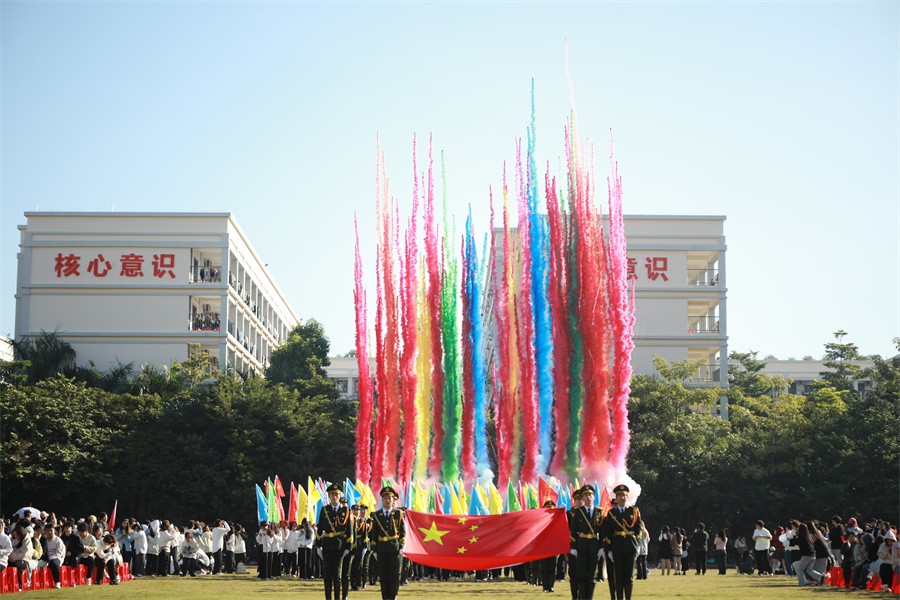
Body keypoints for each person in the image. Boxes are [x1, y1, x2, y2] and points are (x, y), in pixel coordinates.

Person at [600, 483, 643, 600]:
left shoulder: (634, 511)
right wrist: (609, 550)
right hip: (617, 547)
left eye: (624, 495)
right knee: (618, 577)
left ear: (627, 497)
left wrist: (637, 545)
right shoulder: (611, 513)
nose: (622, 498)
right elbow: (608, 532)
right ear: (616, 498)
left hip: (630, 546)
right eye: (619, 495)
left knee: (629, 577)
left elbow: (638, 529)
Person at [316, 483, 352, 600]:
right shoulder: (324, 510)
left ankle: (337, 597)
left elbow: (349, 530)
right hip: (327, 545)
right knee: (327, 574)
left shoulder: (346, 511)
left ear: (340, 496)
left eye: (337, 494)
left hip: (340, 546)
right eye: (332, 494)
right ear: (329, 496)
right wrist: (318, 546)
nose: (334, 497)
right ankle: (328, 597)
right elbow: (320, 528)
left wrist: (348, 547)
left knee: (337, 574)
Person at [371, 485, 405, 600]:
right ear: (382, 499)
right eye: (385, 498)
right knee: (383, 575)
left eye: (389, 498)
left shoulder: (398, 513)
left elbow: (402, 531)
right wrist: (374, 550)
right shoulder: (376, 515)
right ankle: (385, 597)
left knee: (394, 574)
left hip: (394, 548)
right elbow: (374, 534)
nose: (387, 500)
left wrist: (401, 546)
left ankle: (393, 595)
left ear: (393, 499)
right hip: (381, 548)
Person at [570, 485, 601, 600]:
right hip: (581, 545)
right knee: (582, 574)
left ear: (594, 497)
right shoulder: (578, 512)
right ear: (582, 498)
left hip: (594, 545)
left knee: (592, 574)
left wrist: (601, 547)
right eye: (586, 495)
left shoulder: (599, 512)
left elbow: (602, 531)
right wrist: (573, 547)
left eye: (591, 495)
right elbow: (573, 531)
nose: (589, 497)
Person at [566, 487, 583, 599]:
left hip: (585, 545)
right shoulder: (569, 513)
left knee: (583, 572)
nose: (579, 501)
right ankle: (574, 595)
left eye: (581, 498)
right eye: (577, 499)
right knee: (573, 573)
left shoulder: (589, 512)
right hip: (572, 545)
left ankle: (582, 595)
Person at [539, 500, 559, 592]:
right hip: (543, 547)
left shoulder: (557, 520)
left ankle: (551, 586)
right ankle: (545, 586)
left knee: (552, 567)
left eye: (552, 509)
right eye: (548, 509)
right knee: (544, 568)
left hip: (553, 547)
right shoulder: (540, 520)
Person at [44, 523, 65, 588]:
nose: (49, 532)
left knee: (54, 563)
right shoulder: (44, 540)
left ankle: (57, 583)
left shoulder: (58, 540)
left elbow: (59, 553)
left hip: (57, 557)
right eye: (48, 531)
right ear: (45, 531)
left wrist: (50, 558)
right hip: (46, 558)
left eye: (51, 530)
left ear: (54, 531)